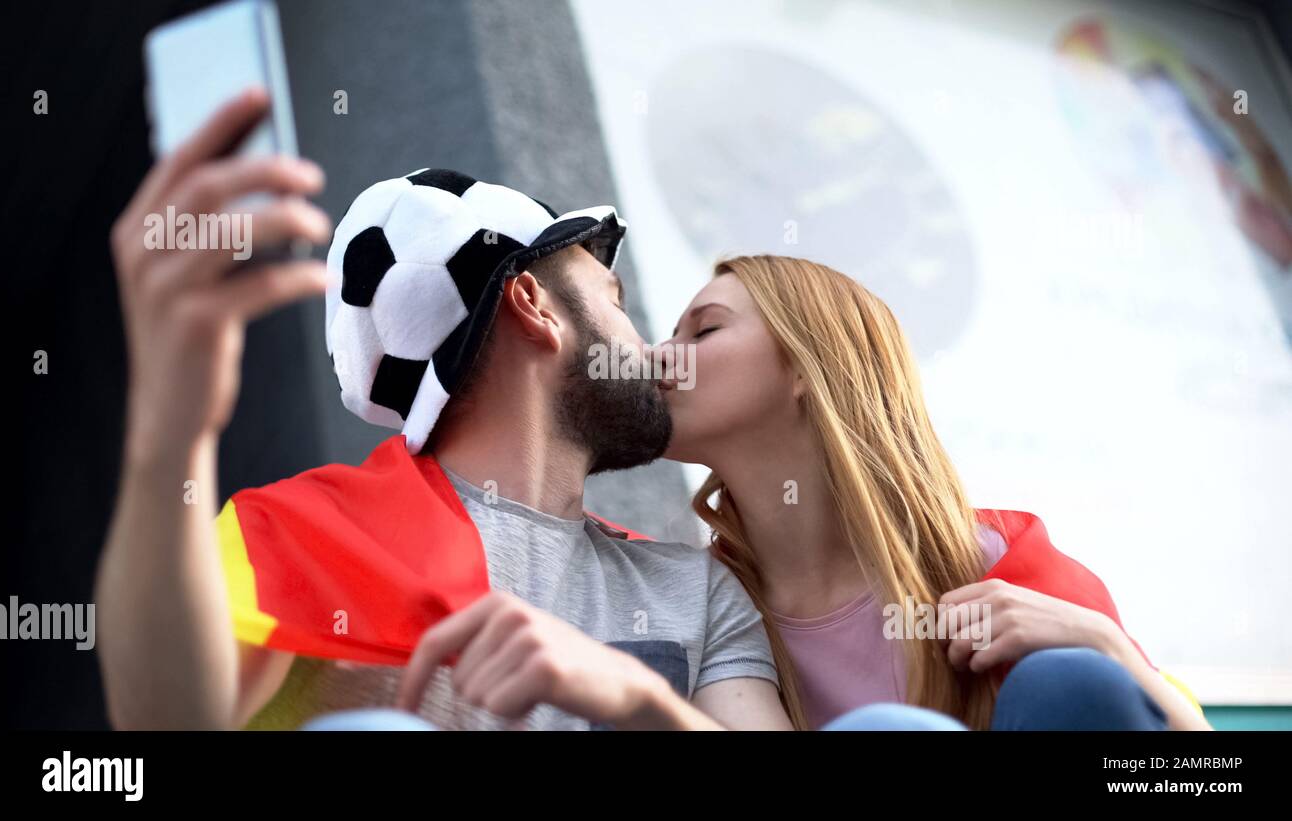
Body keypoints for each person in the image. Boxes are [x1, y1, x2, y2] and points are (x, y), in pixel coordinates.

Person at [95, 89, 792, 731]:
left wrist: (639, 700)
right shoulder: (292, 532)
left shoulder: (695, 587)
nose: (649, 346)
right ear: (534, 305)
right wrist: (171, 430)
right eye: (614, 298)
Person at [655, 254, 1212, 731]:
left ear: (807, 366)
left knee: (1070, 678)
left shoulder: (997, 559)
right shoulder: (686, 598)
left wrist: (1108, 646)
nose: (658, 356)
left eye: (702, 332)